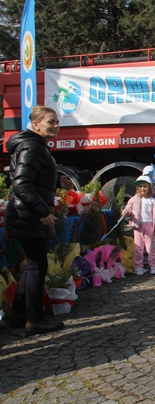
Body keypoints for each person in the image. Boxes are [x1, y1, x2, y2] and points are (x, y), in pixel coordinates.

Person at [6, 106, 64, 334]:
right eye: (51, 122)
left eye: (57, 122)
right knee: (37, 267)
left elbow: (29, 180)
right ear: (36, 124)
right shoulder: (32, 146)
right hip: (29, 216)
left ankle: (19, 316)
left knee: (33, 266)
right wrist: (42, 211)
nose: (56, 125)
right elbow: (21, 184)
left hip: (27, 215)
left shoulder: (35, 145)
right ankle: (35, 319)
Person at [123, 175, 155, 275]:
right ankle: (139, 267)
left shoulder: (153, 201)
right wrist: (126, 212)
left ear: (149, 187)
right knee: (138, 248)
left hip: (149, 226)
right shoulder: (134, 199)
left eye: (145, 186)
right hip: (138, 226)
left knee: (150, 248)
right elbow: (129, 207)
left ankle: (153, 265)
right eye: (141, 186)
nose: (143, 188)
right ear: (138, 188)